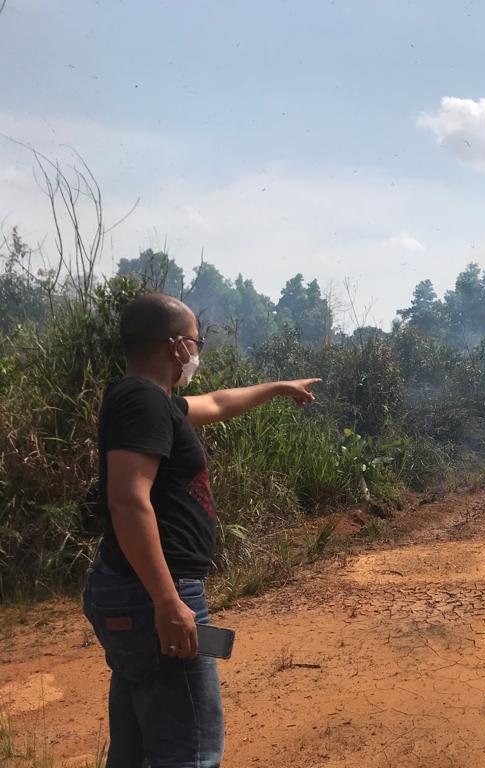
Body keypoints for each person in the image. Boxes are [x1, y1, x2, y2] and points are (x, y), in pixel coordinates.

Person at [82, 292, 320, 767]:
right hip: (154, 592)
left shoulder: (152, 400)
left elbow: (215, 402)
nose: (197, 352)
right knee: (190, 753)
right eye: (196, 341)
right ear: (175, 347)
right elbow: (128, 501)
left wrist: (277, 386)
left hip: (136, 592)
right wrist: (168, 603)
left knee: (136, 752)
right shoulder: (143, 402)